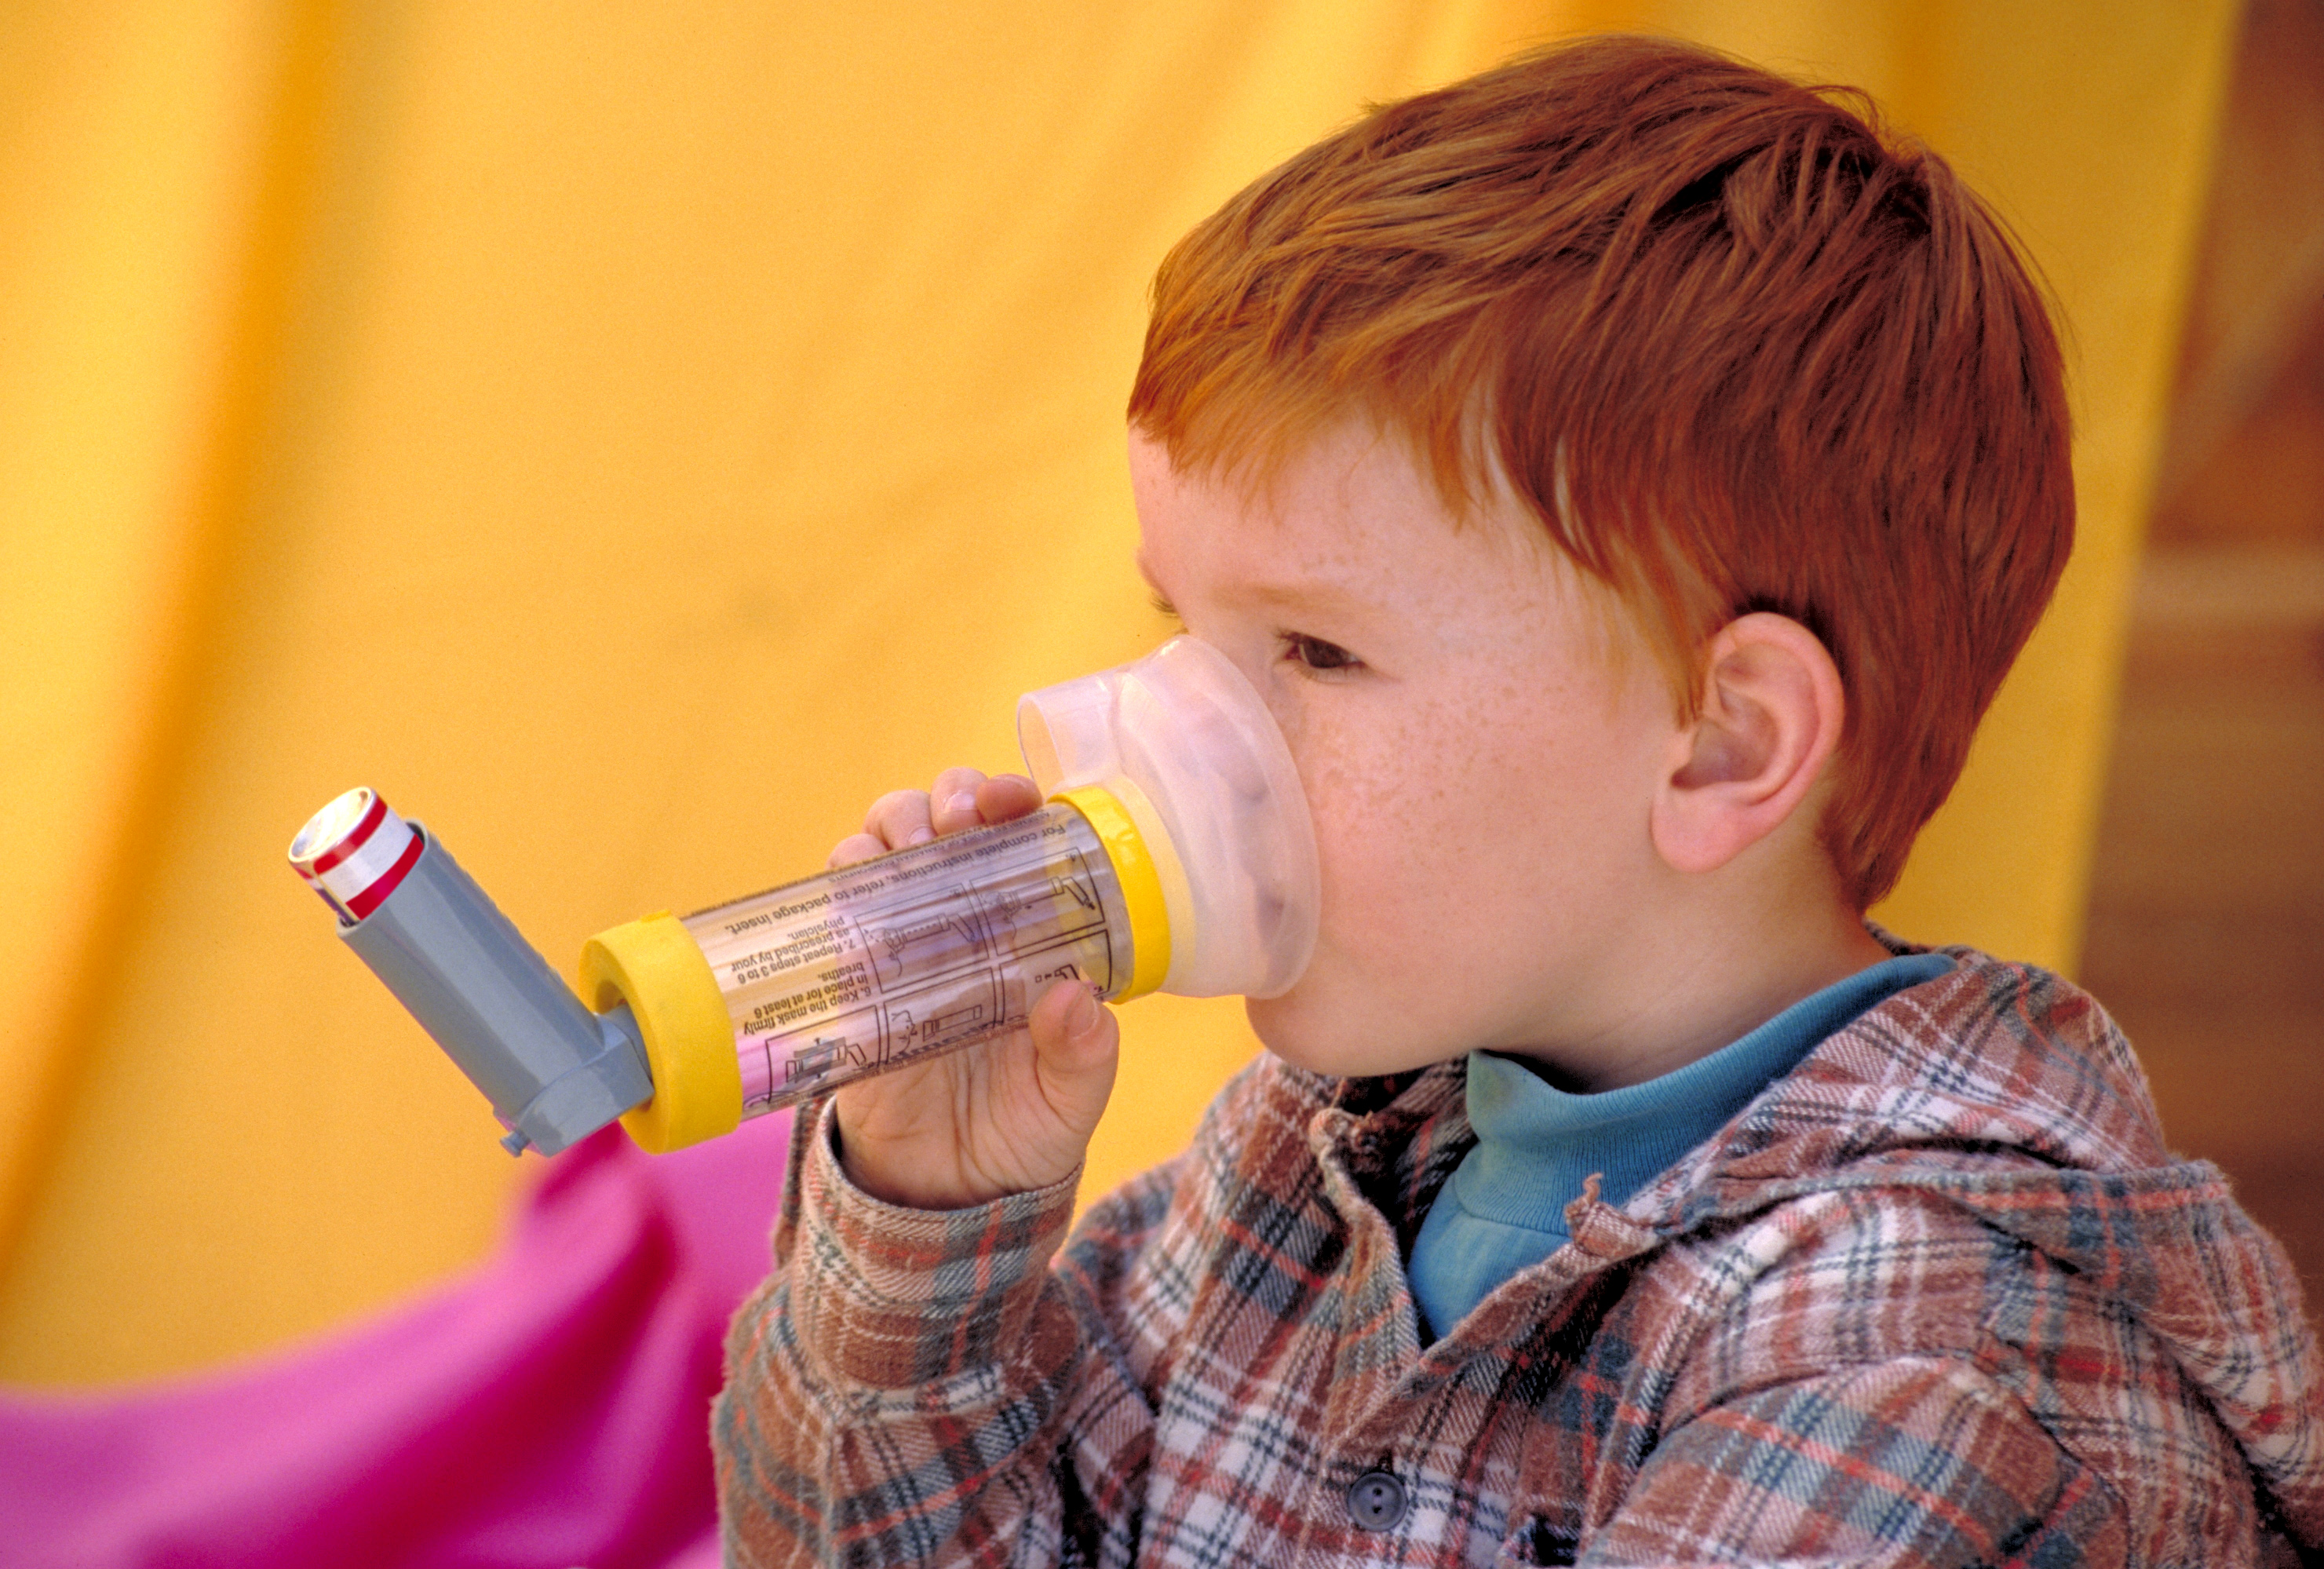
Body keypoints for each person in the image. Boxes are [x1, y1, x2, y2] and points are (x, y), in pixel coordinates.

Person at [713, 35, 2324, 1567]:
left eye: (1315, 651)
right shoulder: (1305, 1169)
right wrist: (923, 1222)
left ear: (1717, 746)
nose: (1172, 739)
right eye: (1177, 632)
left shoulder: (1917, 1371)